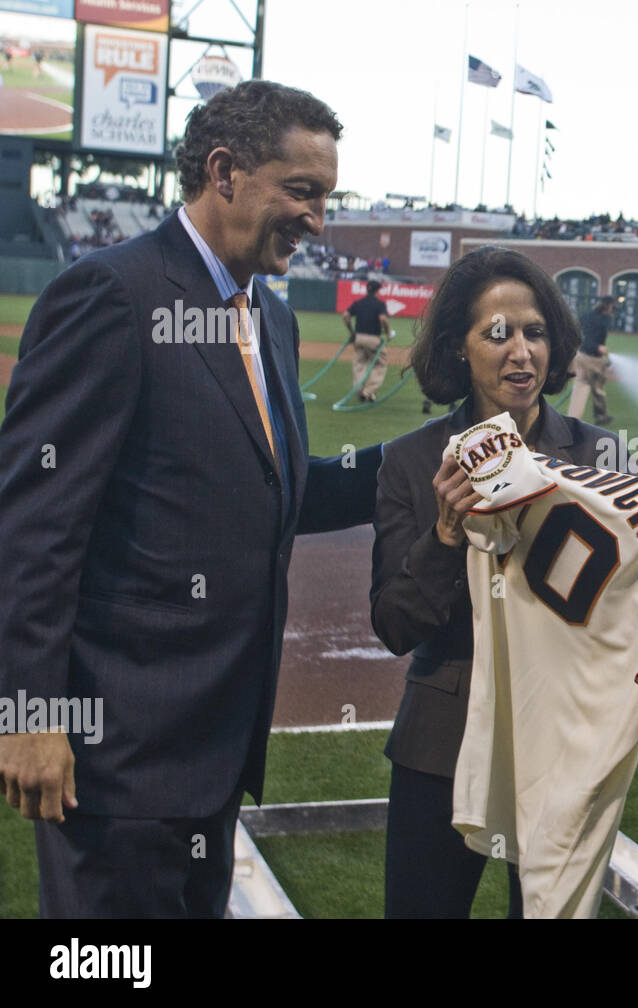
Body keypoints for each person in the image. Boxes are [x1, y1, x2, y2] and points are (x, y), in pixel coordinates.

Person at [0, 80, 383, 918]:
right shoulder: (112, 295)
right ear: (225, 172)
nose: (318, 218)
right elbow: (34, 527)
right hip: (119, 755)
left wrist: (425, 458)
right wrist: (29, 714)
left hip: (217, 745)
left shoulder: (268, 319)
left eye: (327, 196)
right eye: (303, 191)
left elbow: (278, 489)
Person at [369, 247, 638, 918]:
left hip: (566, 738)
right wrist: (448, 534)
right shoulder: (413, 461)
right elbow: (395, 624)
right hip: (442, 742)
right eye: (498, 333)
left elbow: (636, 591)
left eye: (535, 332)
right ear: (460, 346)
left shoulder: (602, 453)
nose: (521, 352)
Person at [568, 295, 615, 426]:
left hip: (580, 356)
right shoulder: (605, 320)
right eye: (612, 306)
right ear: (607, 306)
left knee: (584, 386)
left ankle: (575, 418)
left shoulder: (585, 316)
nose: (614, 309)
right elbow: (592, 340)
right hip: (594, 359)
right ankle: (599, 416)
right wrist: (598, 347)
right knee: (595, 387)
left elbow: (581, 335)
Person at [342, 277, 390, 402]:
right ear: (377, 291)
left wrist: (351, 332)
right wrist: (388, 333)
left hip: (359, 338)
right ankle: (368, 391)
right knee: (380, 364)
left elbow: (345, 316)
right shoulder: (380, 304)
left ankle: (360, 391)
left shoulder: (358, 302)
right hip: (373, 339)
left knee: (359, 364)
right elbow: (383, 319)